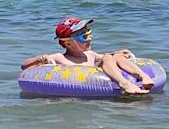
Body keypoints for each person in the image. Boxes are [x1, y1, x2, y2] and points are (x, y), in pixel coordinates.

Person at [20, 17, 155, 95]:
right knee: (108, 57)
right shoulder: (60, 58)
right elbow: (24, 65)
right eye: (84, 36)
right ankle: (124, 84)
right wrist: (38, 59)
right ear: (67, 43)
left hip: (100, 85)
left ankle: (142, 76)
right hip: (79, 92)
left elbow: (108, 58)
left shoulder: (90, 55)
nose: (89, 38)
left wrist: (117, 53)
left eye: (89, 33)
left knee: (110, 57)